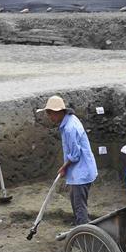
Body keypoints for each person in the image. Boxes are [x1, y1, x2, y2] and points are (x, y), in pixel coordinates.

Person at [37, 95, 98, 225]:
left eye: (50, 114)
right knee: (75, 200)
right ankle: (83, 225)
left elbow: (75, 155)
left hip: (82, 172)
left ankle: (84, 233)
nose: (50, 117)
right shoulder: (70, 121)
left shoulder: (70, 128)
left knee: (79, 206)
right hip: (81, 170)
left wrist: (64, 166)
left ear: (59, 112)